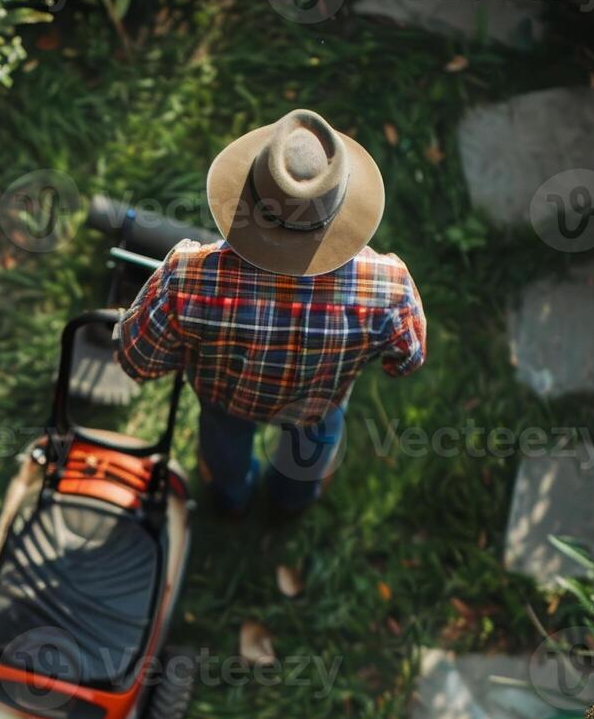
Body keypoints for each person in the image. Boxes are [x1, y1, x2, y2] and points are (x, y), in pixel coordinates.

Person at [115, 108, 427, 515]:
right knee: (306, 462)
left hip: (226, 402)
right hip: (319, 405)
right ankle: (289, 505)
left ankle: (231, 501)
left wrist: (184, 349)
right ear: (341, 204)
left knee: (226, 458)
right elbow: (407, 359)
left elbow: (139, 360)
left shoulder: (187, 276)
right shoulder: (389, 287)